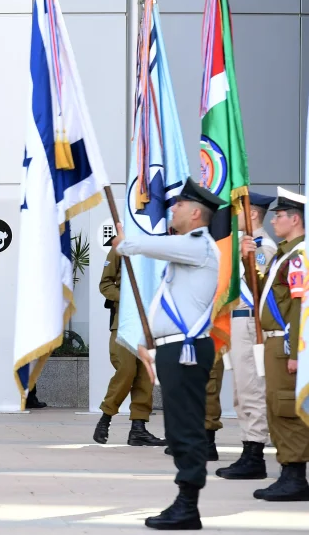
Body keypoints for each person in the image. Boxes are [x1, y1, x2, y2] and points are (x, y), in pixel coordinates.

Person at [110, 177, 223, 530]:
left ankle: (188, 505)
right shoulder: (189, 246)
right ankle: (184, 501)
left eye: (177, 206)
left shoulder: (199, 245)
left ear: (194, 212)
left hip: (186, 352)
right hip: (174, 351)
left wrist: (125, 242)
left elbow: (147, 246)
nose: (171, 209)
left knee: (186, 430)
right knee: (177, 429)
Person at [241, 187, 309, 501]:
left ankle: (294, 477)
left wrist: (296, 350)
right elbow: (263, 295)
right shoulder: (285, 254)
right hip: (275, 344)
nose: (275, 220)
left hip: (285, 345)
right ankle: (288, 473)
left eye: (280, 215)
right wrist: (247, 261)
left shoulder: (298, 258)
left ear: (294, 219)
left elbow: (300, 306)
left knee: (285, 408)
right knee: (276, 405)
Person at [217, 192, 276, 479]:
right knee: (242, 391)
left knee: (252, 388)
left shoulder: (263, 247)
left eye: (238, 210)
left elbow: (259, 288)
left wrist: (245, 257)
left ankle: (255, 455)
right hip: (237, 321)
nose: (234, 216)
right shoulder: (246, 245)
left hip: (250, 322)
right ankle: (248, 450)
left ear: (252, 214)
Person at [94, 244, 164, 446]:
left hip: (150, 323)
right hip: (124, 322)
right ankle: (105, 417)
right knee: (126, 370)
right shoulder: (120, 247)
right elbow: (105, 285)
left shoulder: (157, 245)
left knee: (145, 375)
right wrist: (128, 299)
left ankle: (138, 429)